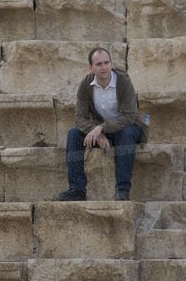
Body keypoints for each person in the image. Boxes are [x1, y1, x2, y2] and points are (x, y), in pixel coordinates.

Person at [57, 47, 148, 202]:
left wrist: (101, 128)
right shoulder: (86, 85)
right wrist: (96, 131)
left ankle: (122, 190)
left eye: (107, 62)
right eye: (99, 64)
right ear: (91, 67)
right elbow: (80, 118)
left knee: (126, 134)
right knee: (73, 135)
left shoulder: (123, 81)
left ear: (111, 64)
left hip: (129, 128)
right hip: (102, 131)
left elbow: (130, 116)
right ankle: (77, 189)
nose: (104, 67)